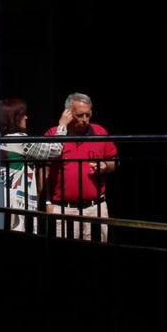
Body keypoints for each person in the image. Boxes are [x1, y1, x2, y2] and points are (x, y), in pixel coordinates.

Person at [0, 98, 68, 232]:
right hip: (16, 203)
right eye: (23, 115)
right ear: (13, 118)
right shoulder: (21, 140)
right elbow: (54, 149)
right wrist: (62, 126)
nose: (26, 117)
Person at [42, 92, 118, 241]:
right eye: (80, 115)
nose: (85, 120)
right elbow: (44, 170)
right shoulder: (53, 134)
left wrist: (106, 166)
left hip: (95, 207)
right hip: (64, 208)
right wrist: (47, 202)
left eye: (88, 115)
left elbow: (114, 161)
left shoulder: (100, 132)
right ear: (68, 114)